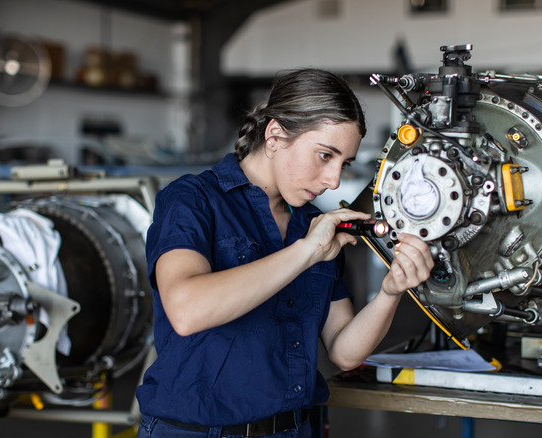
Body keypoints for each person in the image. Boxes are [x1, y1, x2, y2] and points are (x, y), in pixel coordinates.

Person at [136, 68, 434, 438]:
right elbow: (186, 310)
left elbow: (343, 351)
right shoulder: (193, 200)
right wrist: (306, 251)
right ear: (275, 135)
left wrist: (391, 291)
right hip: (197, 431)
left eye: (344, 164)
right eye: (325, 155)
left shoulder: (316, 226)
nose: (334, 180)